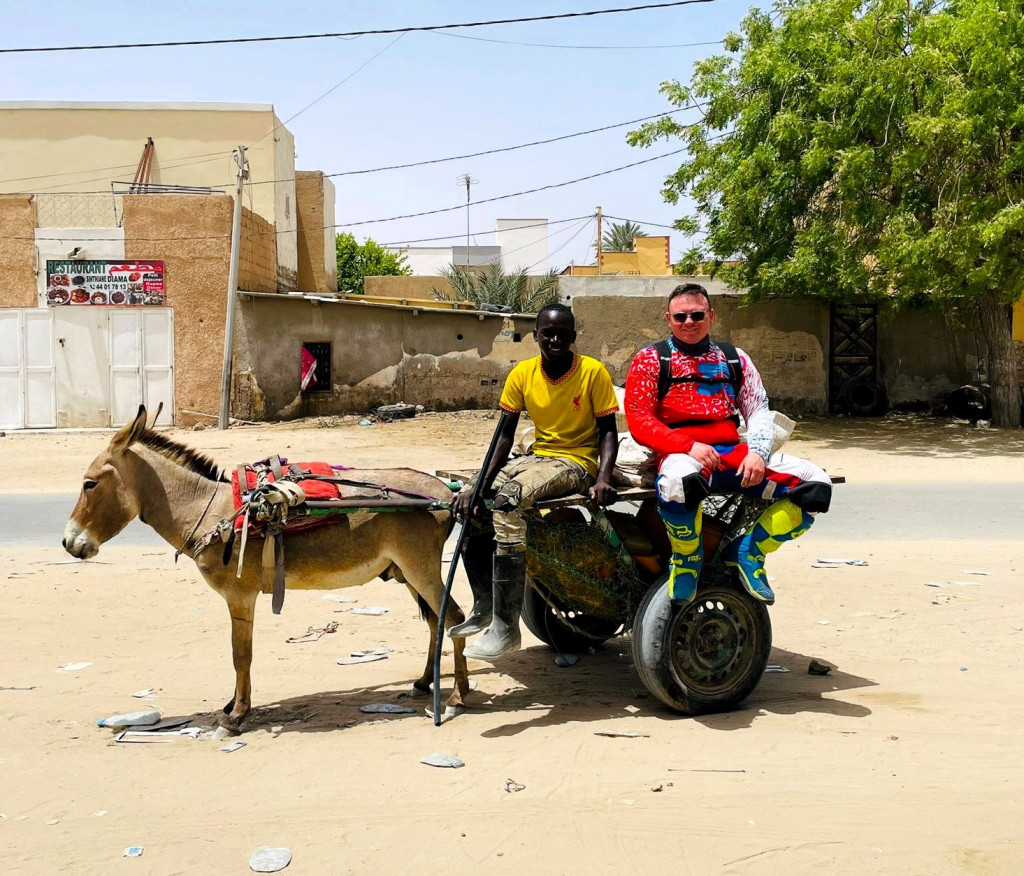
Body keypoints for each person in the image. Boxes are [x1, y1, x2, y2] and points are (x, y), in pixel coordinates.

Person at [624, 283, 831, 605]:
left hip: (734, 454)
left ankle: (749, 552)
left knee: (817, 486)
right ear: (668, 319)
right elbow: (639, 419)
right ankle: (688, 560)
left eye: (697, 315)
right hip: (683, 456)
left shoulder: (736, 359)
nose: (689, 322)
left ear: (711, 315)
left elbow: (758, 410)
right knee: (677, 485)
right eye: (681, 316)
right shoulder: (650, 360)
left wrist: (758, 454)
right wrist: (687, 446)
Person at [452, 302, 619, 660]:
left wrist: (603, 478)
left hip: (576, 461)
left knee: (509, 501)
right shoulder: (522, 374)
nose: (555, 338)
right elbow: (504, 437)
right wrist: (479, 483)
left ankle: (506, 627)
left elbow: (608, 432)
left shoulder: (592, 372)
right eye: (548, 333)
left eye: (562, 333)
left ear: (573, 337)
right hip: (538, 457)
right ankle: (485, 604)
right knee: (470, 503)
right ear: (536, 335)